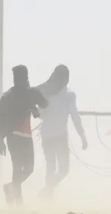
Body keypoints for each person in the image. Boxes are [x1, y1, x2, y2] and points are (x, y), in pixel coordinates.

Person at [0, 65, 48, 205]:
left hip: (22, 136)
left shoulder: (25, 93)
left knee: (28, 169)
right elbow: (1, 118)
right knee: (18, 167)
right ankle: (18, 201)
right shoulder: (12, 95)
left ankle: (11, 189)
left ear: (24, 78)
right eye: (16, 78)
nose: (17, 81)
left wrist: (34, 103)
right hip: (15, 136)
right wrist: (0, 140)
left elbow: (44, 104)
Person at [35, 64, 87, 200]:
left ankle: (47, 192)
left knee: (55, 168)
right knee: (59, 168)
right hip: (55, 136)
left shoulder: (49, 92)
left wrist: (82, 136)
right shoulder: (64, 94)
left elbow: (74, 117)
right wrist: (83, 137)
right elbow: (75, 117)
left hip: (52, 135)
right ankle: (47, 194)